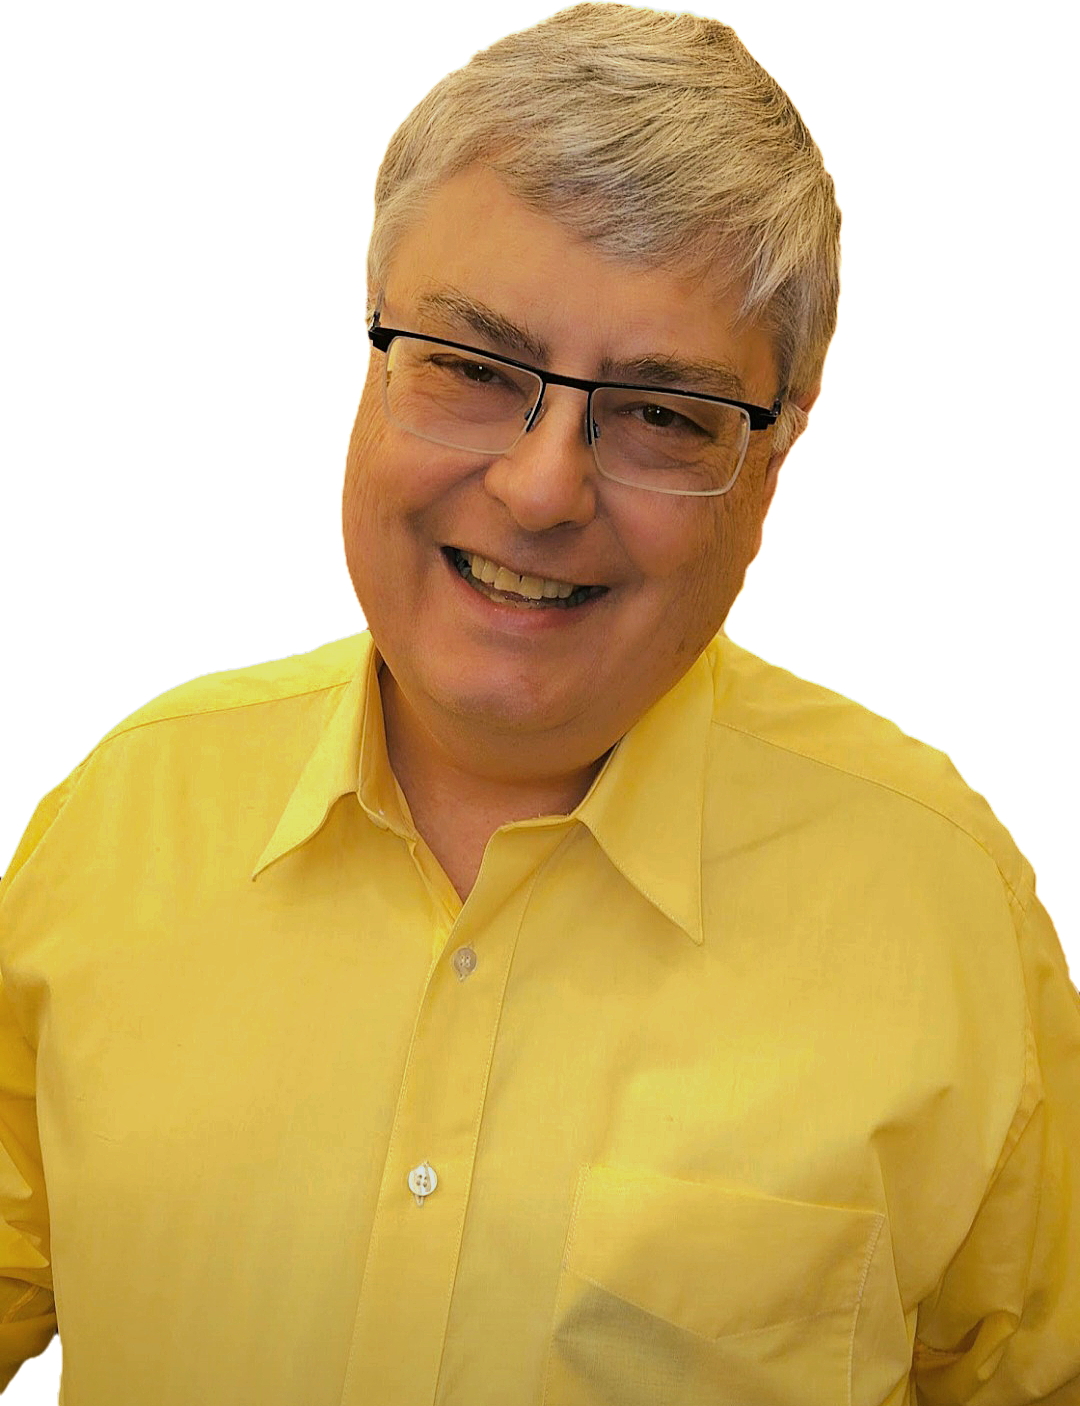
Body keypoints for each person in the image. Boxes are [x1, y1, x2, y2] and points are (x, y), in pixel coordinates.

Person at [2, 4, 1078, 1402]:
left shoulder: (944, 906)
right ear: (369, 359)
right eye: (471, 364)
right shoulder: (119, 818)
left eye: (661, 413)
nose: (541, 487)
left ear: (778, 456)